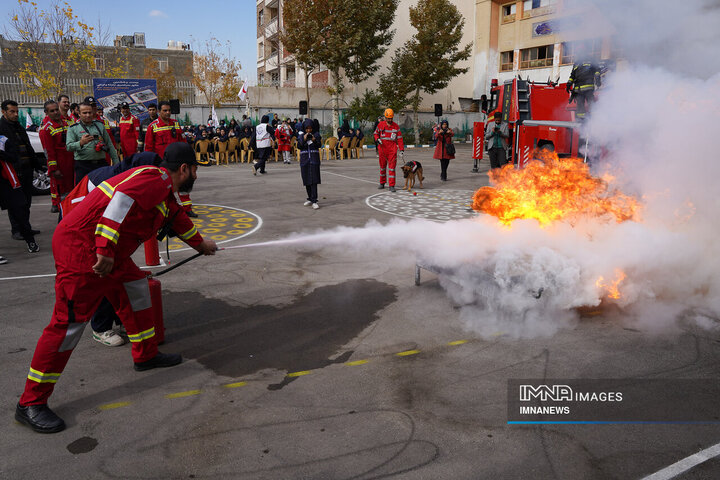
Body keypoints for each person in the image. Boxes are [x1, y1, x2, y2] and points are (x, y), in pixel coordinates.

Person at [14, 142, 218, 434]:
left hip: (108, 254)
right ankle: (30, 402)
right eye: (196, 170)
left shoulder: (165, 193)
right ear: (184, 169)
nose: (196, 177)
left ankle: (146, 355)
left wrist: (202, 245)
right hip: (83, 249)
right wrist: (106, 250)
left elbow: (177, 219)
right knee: (68, 325)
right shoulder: (155, 178)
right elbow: (119, 203)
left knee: (136, 290)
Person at [145, 101, 196, 217]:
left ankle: (187, 209)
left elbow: (182, 141)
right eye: (165, 111)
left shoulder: (176, 124)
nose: (168, 113)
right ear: (159, 112)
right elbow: (148, 148)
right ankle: (165, 211)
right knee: (164, 188)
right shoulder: (153, 127)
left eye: (169, 111)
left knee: (183, 185)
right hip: (162, 164)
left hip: (178, 163)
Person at [0, 100, 40, 247]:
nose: (16, 114)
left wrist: (36, 164)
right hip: (12, 172)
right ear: (4, 112)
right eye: (12, 111)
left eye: (17, 111)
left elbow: (28, 147)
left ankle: (26, 227)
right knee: (15, 203)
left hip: (27, 169)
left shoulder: (18, 127)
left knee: (26, 202)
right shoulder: (1, 128)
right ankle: (16, 229)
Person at [66, 101, 119, 183]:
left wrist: (116, 163)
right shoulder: (73, 128)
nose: (88, 115)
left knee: (103, 192)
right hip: (83, 166)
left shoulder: (100, 125)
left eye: (90, 112)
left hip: (101, 165)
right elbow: (68, 147)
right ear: (79, 114)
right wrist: (80, 143)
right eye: (84, 113)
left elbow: (109, 144)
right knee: (83, 193)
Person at [39, 100, 74, 213]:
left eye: (56, 109)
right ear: (46, 113)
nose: (55, 112)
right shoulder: (46, 129)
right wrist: (54, 169)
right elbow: (48, 152)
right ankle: (58, 207)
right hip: (59, 165)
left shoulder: (67, 123)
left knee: (72, 187)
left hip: (71, 162)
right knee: (60, 189)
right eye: (52, 111)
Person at [373, 108, 405, 192]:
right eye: (388, 118)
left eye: (391, 118)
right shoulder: (380, 125)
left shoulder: (396, 126)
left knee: (391, 168)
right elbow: (375, 133)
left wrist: (401, 150)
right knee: (382, 167)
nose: (390, 120)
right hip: (382, 150)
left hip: (392, 150)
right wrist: (377, 139)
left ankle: (391, 185)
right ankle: (382, 183)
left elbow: (400, 139)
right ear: (385, 117)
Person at [298, 119, 321, 209]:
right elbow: (299, 146)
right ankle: (310, 198)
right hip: (305, 161)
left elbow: (319, 145)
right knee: (306, 179)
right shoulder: (301, 136)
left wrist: (314, 140)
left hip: (314, 160)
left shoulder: (316, 135)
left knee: (314, 180)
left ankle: (315, 200)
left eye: (310, 128)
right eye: (307, 129)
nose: (309, 131)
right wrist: (304, 139)